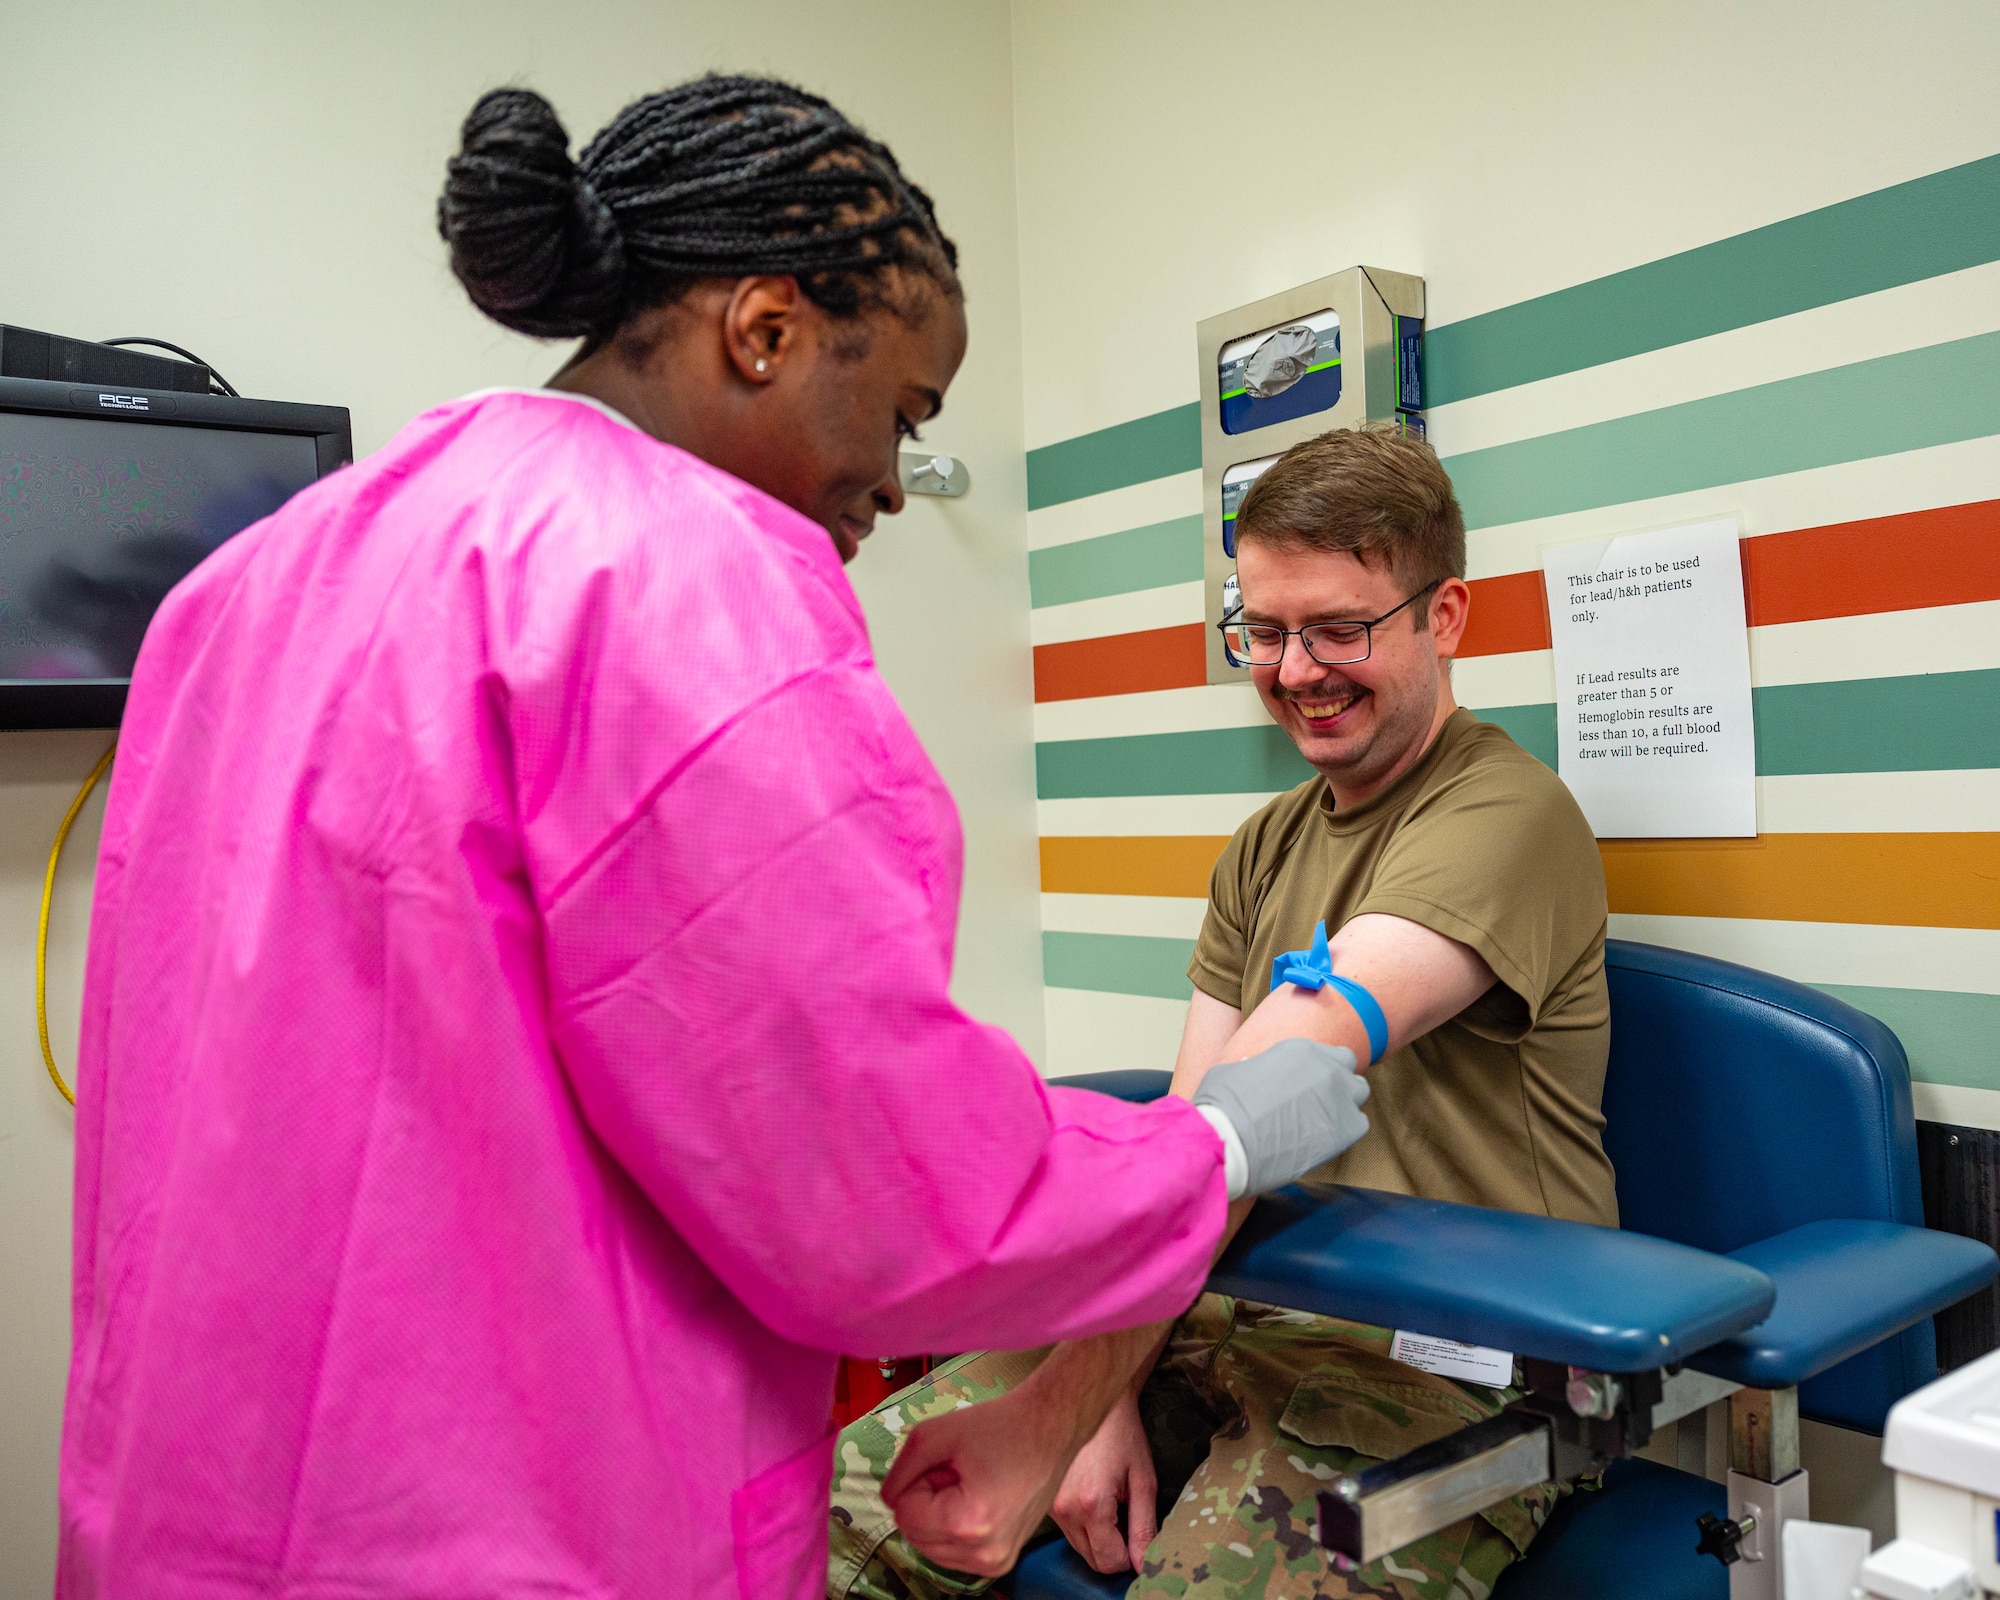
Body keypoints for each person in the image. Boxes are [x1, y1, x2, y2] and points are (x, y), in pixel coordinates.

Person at [54, 77, 1373, 1600]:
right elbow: (869, 1182)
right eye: (901, 412)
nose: (892, 477)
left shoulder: (253, 585)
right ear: (764, 330)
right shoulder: (681, 579)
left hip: (197, 1507)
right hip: (513, 1526)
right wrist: (1212, 1147)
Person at [831, 427, 1616, 1600]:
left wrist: (1060, 1407)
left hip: (1460, 1370)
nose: (1295, 670)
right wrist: (1086, 1405)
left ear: (1441, 615)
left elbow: (1278, 1088)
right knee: (833, 1511)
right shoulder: (1263, 847)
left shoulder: (1506, 816)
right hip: (1239, 1312)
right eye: (1264, 629)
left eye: (1338, 627)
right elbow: (1196, 1140)